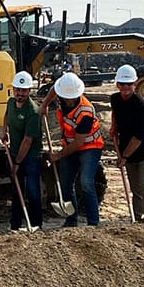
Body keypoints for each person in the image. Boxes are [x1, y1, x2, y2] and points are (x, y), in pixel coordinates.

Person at [40, 71, 105, 227]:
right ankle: (71, 220)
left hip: (90, 146)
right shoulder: (62, 92)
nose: (68, 101)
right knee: (65, 184)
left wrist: (58, 155)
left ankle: (93, 223)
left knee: (86, 183)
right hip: (70, 144)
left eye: (71, 98)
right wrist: (45, 104)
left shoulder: (86, 111)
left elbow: (79, 142)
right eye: (65, 97)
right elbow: (54, 90)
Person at [109, 64, 144, 224]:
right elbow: (115, 112)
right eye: (122, 84)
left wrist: (124, 157)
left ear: (135, 84)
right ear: (117, 84)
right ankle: (137, 216)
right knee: (135, 187)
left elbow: (139, 137)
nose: (125, 88)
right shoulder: (115, 98)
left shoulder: (143, 106)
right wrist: (113, 126)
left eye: (129, 84)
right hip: (125, 146)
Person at [1, 71, 43, 232]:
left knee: (32, 190)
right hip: (15, 151)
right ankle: (15, 224)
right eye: (18, 90)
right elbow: (6, 115)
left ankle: (36, 224)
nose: (20, 93)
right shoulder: (11, 102)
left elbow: (28, 140)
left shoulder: (33, 111)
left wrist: (17, 162)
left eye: (24, 90)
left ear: (29, 91)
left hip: (31, 156)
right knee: (16, 189)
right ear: (14, 89)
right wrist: (4, 131)